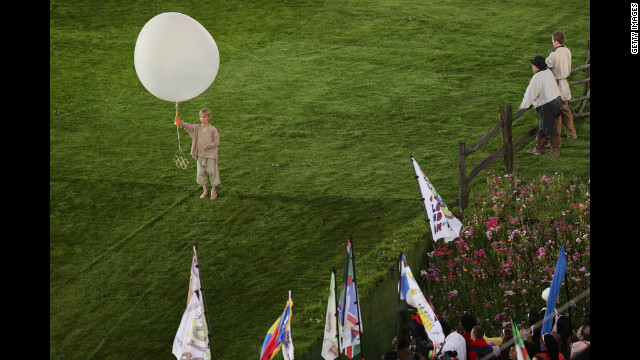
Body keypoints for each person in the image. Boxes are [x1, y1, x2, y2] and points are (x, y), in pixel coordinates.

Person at [520, 55, 564, 157]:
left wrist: (524, 106)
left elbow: (530, 94)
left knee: (548, 128)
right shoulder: (548, 72)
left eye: (532, 65)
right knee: (543, 127)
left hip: (548, 106)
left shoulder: (537, 77)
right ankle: (539, 148)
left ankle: (555, 150)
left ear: (535, 66)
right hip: (557, 102)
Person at [176, 108, 221, 199]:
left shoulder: (212, 129)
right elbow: (189, 126)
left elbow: (217, 141)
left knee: (212, 172)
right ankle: (205, 190)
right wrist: (180, 122)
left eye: (204, 117)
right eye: (201, 117)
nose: (202, 119)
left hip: (210, 155)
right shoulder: (197, 128)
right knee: (201, 173)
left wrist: (209, 146)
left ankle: (213, 191)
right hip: (200, 155)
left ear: (209, 117)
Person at [545, 31, 577, 140]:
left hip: (557, 84)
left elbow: (545, 67)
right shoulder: (567, 51)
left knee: (556, 113)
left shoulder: (554, 55)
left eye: (553, 40)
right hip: (564, 83)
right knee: (566, 110)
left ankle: (555, 138)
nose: (552, 42)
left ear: (556, 41)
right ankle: (572, 134)